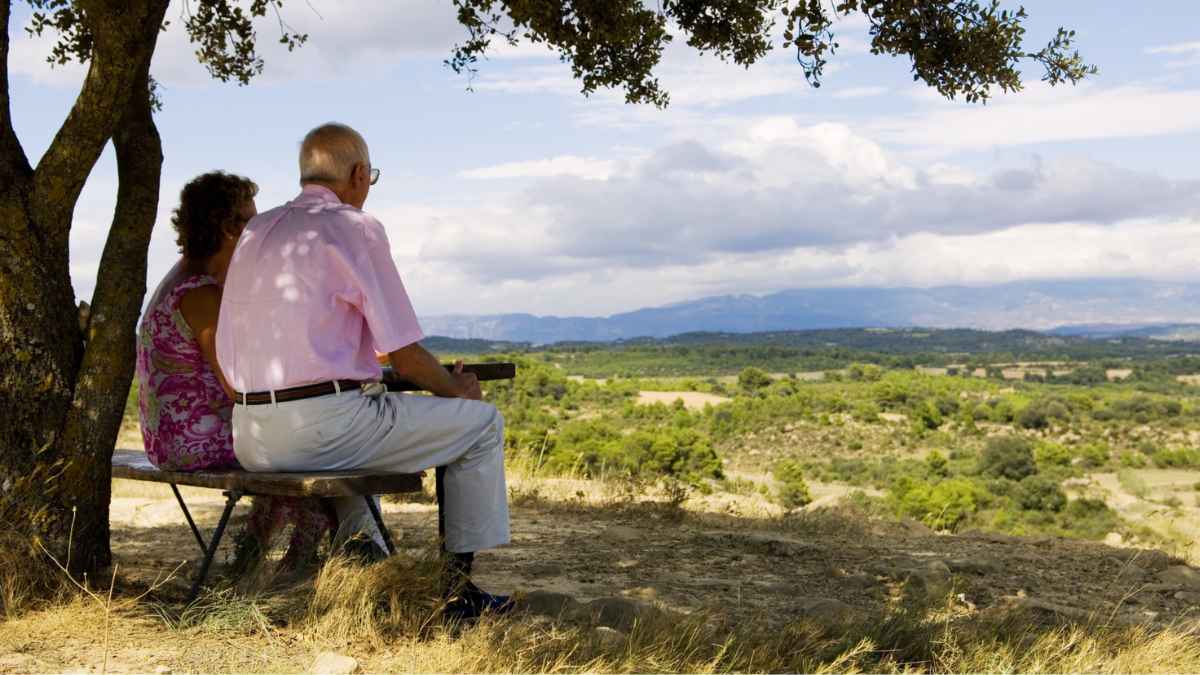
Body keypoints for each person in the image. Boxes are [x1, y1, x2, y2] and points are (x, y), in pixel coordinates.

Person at [215, 123, 511, 620]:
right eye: (370, 176)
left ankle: (372, 574)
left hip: (251, 434)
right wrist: (455, 389)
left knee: (345, 448)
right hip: (319, 428)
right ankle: (455, 593)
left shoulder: (258, 230)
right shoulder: (354, 227)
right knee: (481, 425)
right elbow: (404, 355)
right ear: (357, 175)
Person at [136, 171, 334, 575]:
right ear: (229, 228)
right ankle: (303, 566)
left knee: (287, 438)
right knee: (311, 439)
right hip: (193, 441)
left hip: (170, 437)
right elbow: (236, 385)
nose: (259, 232)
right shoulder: (201, 293)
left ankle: (252, 563)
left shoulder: (183, 279)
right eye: (252, 221)